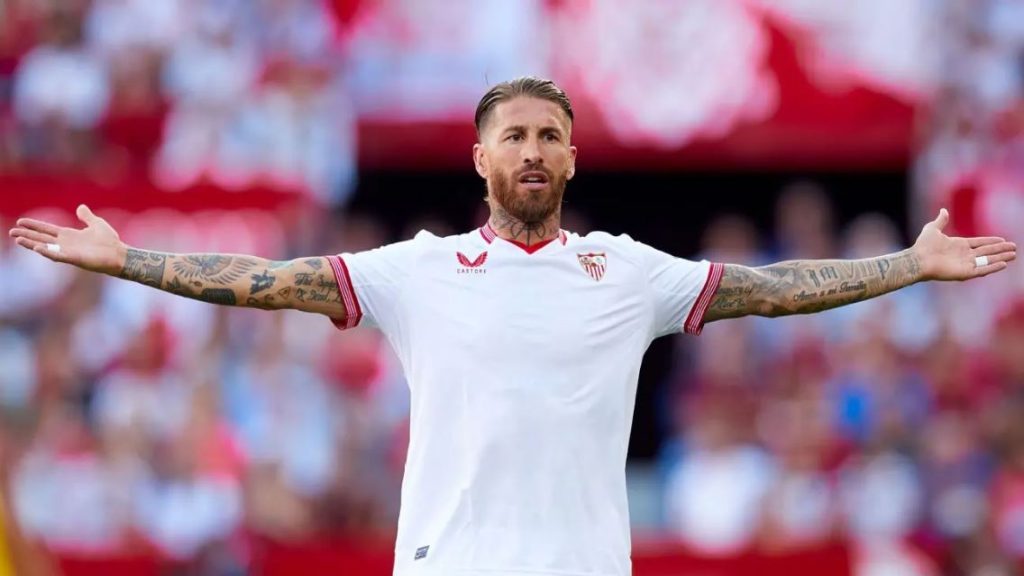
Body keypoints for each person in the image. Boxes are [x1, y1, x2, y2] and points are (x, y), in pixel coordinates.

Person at [7, 77, 1018, 576]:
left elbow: (770, 289)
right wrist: (128, 260)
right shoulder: (416, 269)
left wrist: (909, 266)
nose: (532, 151)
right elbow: (267, 281)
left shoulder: (627, 270)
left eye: (549, 136)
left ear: (572, 158)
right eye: (515, 136)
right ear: (480, 158)